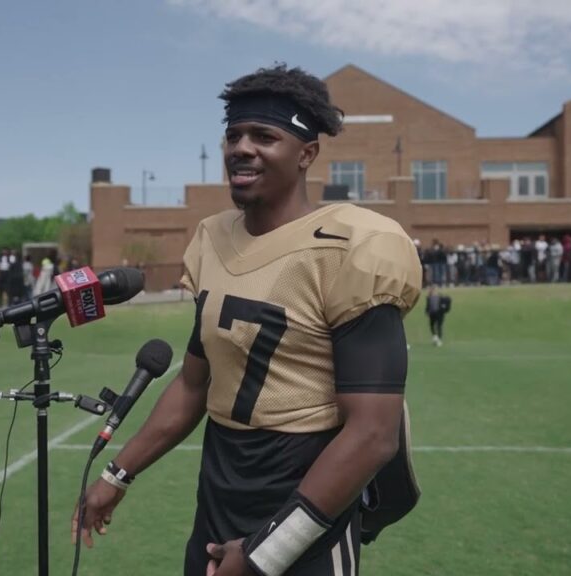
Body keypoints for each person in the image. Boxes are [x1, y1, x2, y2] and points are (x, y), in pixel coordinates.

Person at [72, 64, 423, 576]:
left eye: (264, 136)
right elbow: (194, 383)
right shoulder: (213, 238)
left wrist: (265, 554)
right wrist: (117, 474)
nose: (242, 147)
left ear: (307, 153)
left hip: (308, 499)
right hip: (220, 485)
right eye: (233, 135)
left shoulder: (354, 245)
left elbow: (372, 433)